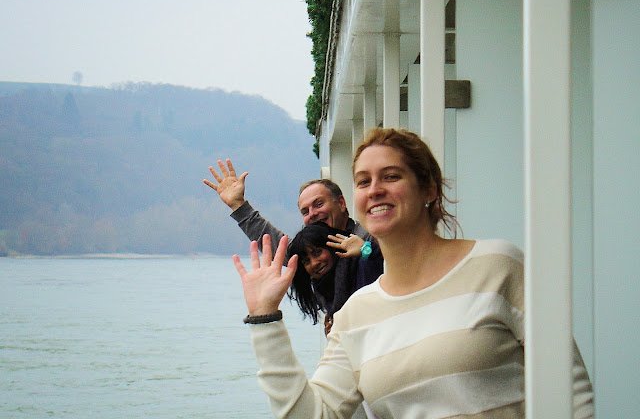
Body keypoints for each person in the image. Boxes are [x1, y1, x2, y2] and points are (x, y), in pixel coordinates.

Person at [231, 128, 594, 418]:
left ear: (429, 189)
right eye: (363, 181)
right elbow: (313, 415)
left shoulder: (497, 266)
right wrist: (265, 320)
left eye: (391, 176)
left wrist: (367, 249)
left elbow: (570, 391)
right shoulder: (355, 315)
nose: (375, 190)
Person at [203, 159, 372, 252]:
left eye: (319, 204)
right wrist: (238, 205)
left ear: (341, 203)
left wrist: (366, 252)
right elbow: (273, 242)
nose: (312, 213)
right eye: (305, 211)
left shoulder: (369, 238)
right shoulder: (310, 254)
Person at [287, 222, 383, 334]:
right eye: (306, 261)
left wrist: (367, 250)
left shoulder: (363, 265)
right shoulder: (324, 294)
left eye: (318, 252)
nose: (314, 263)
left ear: (332, 247)